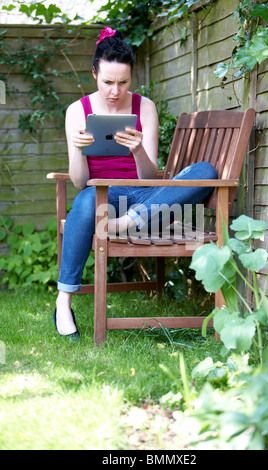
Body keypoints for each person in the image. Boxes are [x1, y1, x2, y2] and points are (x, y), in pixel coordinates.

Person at [53, 27, 217, 339]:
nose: (115, 90)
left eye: (123, 82)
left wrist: (138, 148)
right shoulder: (78, 111)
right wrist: (77, 148)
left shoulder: (145, 107)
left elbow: (150, 178)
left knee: (206, 170)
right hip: (103, 198)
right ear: (94, 74)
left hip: (146, 200)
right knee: (87, 199)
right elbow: (79, 182)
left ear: (132, 78)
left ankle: (125, 222)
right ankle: (64, 301)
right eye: (107, 82)